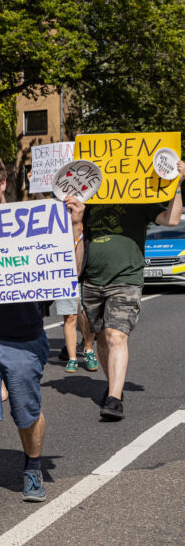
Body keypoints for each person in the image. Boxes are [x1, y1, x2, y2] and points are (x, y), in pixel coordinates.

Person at [0, 154, 84, 529]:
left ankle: (33, 466)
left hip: (24, 339)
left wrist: (74, 228)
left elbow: (70, 272)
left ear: (3, 184)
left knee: (26, 413)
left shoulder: (35, 220)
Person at [79, 159, 185, 419]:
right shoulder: (89, 201)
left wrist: (178, 185)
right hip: (92, 278)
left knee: (117, 335)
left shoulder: (140, 198)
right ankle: (113, 385)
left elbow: (171, 219)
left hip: (126, 277)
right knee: (102, 337)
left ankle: (114, 399)